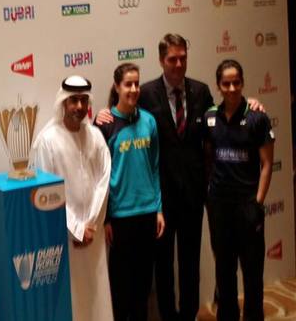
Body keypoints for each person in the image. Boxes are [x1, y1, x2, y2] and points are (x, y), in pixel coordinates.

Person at [96, 34, 263, 321]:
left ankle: (188, 315)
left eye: (182, 58)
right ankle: (168, 316)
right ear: (162, 60)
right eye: (172, 59)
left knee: (190, 263)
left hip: (194, 195)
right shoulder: (146, 93)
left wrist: (252, 103)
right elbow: (123, 110)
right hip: (160, 197)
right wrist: (102, 113)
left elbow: (224, 115)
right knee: (163, 266)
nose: (178, 64)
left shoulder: (201, 91)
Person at [30, 76, 113, 321]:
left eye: (83, 100)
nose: (79, 106)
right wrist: (76, 229)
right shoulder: (47, 141)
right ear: (63, 102)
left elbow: (104, 182)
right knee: (71, 301)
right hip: (65, 238)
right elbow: (47, 194)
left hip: (93, 234)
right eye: (73, 100)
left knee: (96, 297)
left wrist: (91, 225)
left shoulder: (96, 136)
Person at [204, 59, 274, 321]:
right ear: (218, 86)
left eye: (236, 82)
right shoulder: (210, 117)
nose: (232, 88)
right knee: (224, 271)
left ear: (243, 83)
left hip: (248, 206)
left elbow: (267, 164)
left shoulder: (258, 118)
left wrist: (257, 203)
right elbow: (207, 158)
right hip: (219, 206)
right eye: (226, 83)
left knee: (252, 272)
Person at [96, 63, 165, 321]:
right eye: (128, 84)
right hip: (120, 217)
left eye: (137, 83)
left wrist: (158, 209)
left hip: (147, 213)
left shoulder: (149, 121)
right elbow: (100, 177)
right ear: (117, 87)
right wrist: (106, 218)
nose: (134, 89)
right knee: (121, 289)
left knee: (143, 287)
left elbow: (155, 168)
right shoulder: (105, 125)